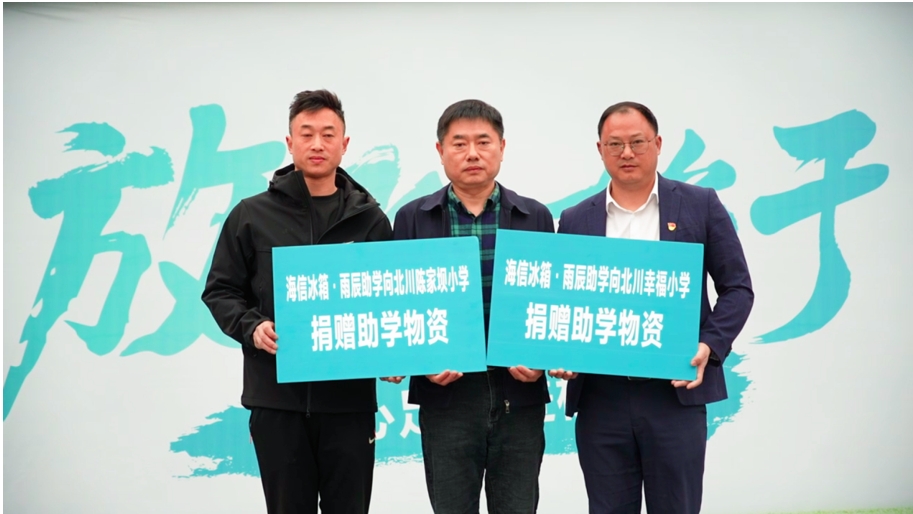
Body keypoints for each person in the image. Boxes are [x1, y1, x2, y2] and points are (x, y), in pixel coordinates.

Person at [551, 101, 754, 514]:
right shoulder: (575, 219)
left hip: (673, 394)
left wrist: (709, 345)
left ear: (658, 144)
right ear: (600, 150)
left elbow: (737, 288)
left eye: (637, 142)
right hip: (601, 398)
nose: (627, 153)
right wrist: (562, 350)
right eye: (615, 144)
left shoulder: (699, 204)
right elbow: (562, 303)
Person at [201, 89, 393, 514]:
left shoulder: (371, 221)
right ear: (290, 143)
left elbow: (389, 302)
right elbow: (220, 290)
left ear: (345, 144)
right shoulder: (251, 215)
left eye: (328, 134)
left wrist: (392, 356)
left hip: (348, 404)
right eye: (306, 134)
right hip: (277, 401)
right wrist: (252, 327)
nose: (317, 144)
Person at [385, 99, 554, 514]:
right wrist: (418, 359)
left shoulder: (534, 216)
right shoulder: (412, 218)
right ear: (440, 151)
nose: (472, 153)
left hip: (519, 391)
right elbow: (398, 304)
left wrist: (543, 358)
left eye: (483, 142)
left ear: (502, 147)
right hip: (446, 395)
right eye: (459, 143)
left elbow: (551, 303)